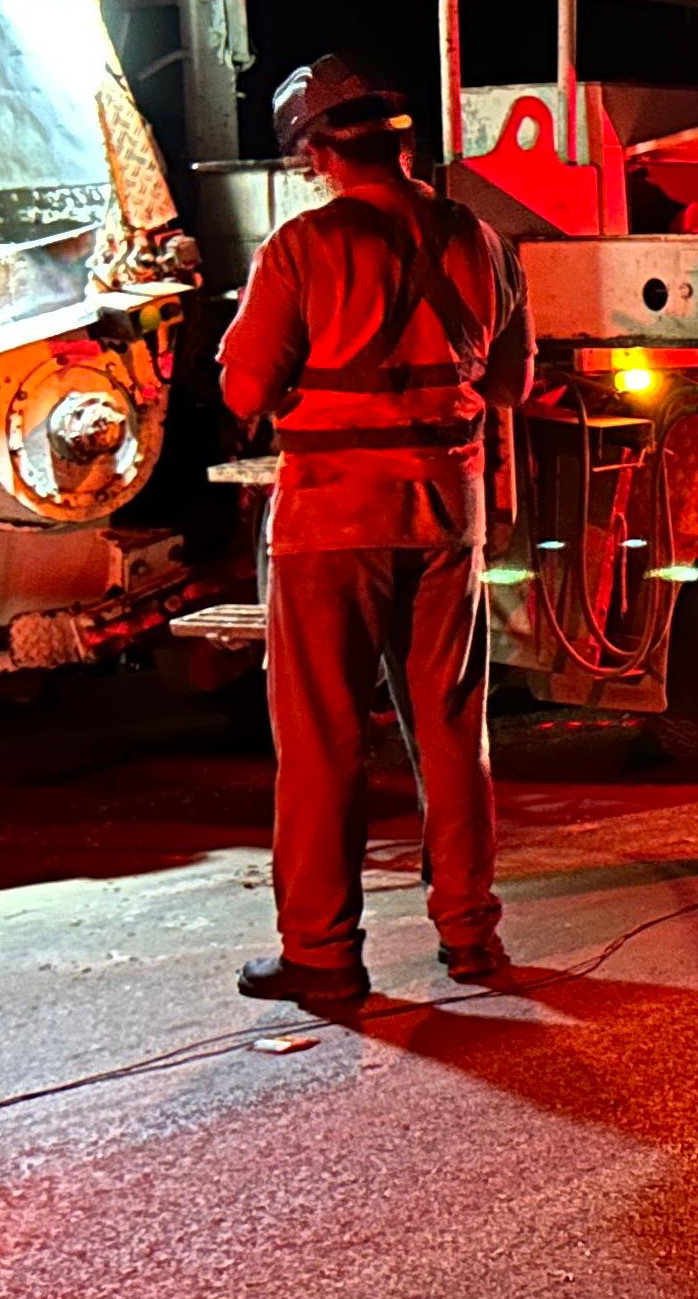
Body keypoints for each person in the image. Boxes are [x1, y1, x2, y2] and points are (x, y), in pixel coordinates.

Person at [219, 58, 533, 1003]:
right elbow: (511, 385)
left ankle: (323, 955)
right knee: (451, 731)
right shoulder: (481, 240)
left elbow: (244, 389)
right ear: (400, 141)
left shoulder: (298, 248)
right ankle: (471, 936)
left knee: (322, 742)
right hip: (448, 515)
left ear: (318, 152)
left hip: (332, 524)